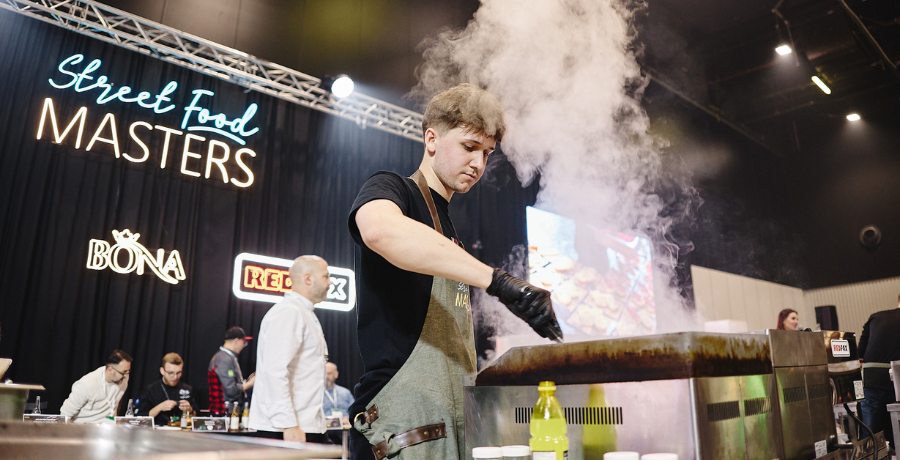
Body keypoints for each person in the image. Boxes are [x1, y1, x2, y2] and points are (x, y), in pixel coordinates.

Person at [347, 83, 562, 460]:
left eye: (487, 153)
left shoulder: (449, 228)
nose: (478, 163)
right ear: (431, 139)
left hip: (445, 426)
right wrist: (497, 282)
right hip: (400, 429)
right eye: (469, 147)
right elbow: (379, 229)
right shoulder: (393, 188)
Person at [249, 255, 331, 443]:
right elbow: (274, 372)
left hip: (303, 425)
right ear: (308, 279)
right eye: (326, 276)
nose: (330, 282)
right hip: (287, 429)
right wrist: (287, 424)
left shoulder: (303, 312)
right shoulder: (289, 312)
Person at [857, 295, 900, 448]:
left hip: (871, 381)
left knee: (870, 436)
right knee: (896, 433)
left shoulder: (876, 317)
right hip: (896, 384)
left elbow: (860, 352)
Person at [60, 350, 132, 423]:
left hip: (109, 426)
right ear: (110, 370)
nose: (126, 376)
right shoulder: (86, 384)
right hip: (85, 427)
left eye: (128, 372)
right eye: (123, 372)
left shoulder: (123, 378)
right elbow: (65, 416)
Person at [135, 352, 198, 427]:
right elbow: (139, 418)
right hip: (157, 430)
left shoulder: (187, 389)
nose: (175, 377)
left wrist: (190, 410)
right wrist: (159, 408)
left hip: (181, 429)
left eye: (178, 373)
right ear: (162, 371)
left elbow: (198, 418)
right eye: (170, 373)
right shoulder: (150, 390)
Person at [208, 326, 256, 415]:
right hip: (225, 413)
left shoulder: (226, 357)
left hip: (227, 412)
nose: (244, 346)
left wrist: (246, 382)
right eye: (244, 342)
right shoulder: (224, 359)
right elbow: (231, 391)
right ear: (236, 341)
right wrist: (250, 384)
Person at [323, 361, 355, 444]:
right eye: (324, 373)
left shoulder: (345, 393)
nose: (326, 376)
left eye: (329, 373)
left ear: (336, 374)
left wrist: (348, 419)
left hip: (345, 433)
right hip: (325, 433)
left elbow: (354, 412)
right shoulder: (317, 395)